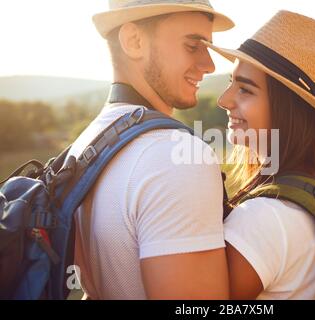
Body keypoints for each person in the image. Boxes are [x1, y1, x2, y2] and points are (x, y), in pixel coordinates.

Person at [68, 0, 234, 299]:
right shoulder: (176, 158)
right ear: (134, 41)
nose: (210, 65)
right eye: (193, 45)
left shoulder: (84, 143)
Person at [204, 10, 315, 299]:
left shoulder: (264, 217)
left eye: (245, 89)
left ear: (288, 108)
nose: (224, 100)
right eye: (230, 82)